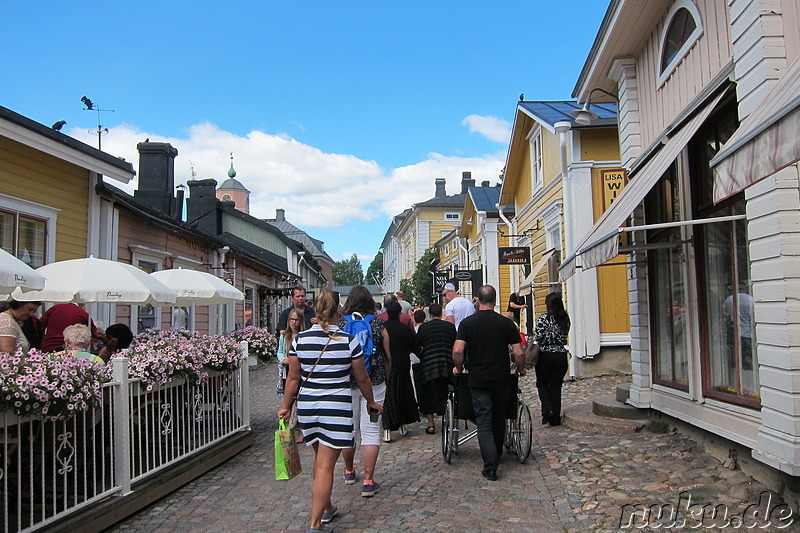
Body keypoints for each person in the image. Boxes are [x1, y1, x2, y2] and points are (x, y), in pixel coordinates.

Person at [279, 292, 382, 533]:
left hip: (308, 407)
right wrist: (371, 402)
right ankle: (315, 525)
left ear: (315, 311)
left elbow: (293, 378)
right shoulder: (347, 341)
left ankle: (326, 508)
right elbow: (362, 377)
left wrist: (285, 406)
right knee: (326, 465)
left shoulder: (300, 340)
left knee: (320, 460)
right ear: (338, 312)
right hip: (335, 407)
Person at [453, 285, 525, 481]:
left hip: (477, 379)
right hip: (501, 379)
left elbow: (458, 350)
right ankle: (497, 454)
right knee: (499, 418)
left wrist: (458, 368)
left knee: (484, 421)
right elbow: (519, 352)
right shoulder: (506, 324)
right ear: (494, 301)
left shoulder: (467, 324)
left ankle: (490, 465)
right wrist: (521, 368)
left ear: (478, 299)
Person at [337, 285, 391, 497]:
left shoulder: (340, 325)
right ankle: (368, 481)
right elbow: (387, 356)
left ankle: (349, 471)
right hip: (375, 383)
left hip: (346, 383)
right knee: (370, 431)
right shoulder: (378, 325)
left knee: (348, 429)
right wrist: (387, 377)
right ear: (370, 302)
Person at [381, 302, 420, 442]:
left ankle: (387, 428)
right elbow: (416, 347)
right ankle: (402, 424)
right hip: (402, 365)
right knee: (402, 395)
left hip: (386, 367)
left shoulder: (383, 328)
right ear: (399, 313)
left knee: (388, 397)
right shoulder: (405, 329)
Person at [416, 302, 457, 435]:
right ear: (441, 313)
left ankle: (431, 424)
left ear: (430, 314)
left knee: (428, 394)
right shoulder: (450, 327)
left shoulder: (423, 328)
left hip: (429, 364)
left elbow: (417, 346)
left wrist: (422, 355)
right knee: (448, 393)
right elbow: (456, 345)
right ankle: (449, 420)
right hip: (447, 364)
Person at [534, 292, 571, 427]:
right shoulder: (565, 318)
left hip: (545, 355)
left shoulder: (543, 318)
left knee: (542, 383)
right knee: (556, 386)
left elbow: (538, 338)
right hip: (560, 355)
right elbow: (565, 334)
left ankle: (547, 409)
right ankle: (555, 419)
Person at [276, 308, 306, 399]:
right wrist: (283, 358)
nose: (294, 322)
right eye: (292, 319)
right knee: (289, 393)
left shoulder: (304, 336)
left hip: (301, 368)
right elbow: (280, 351)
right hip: (288, 368)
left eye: (296, 320)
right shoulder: (284, 336)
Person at [410, 309, 426, 419]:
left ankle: (421, 405)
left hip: (415, 360)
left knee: (418, 385)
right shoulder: (426, 330)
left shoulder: (412, 331)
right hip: (425, 360)